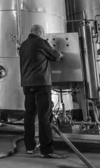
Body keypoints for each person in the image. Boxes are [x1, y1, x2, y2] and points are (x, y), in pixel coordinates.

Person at [19, 25, 66, 159]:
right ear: (40, 33)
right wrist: (60, 54)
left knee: (29, 115)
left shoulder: (23, 45)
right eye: (44, 33)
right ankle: (47, 150)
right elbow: (55, 56)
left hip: (27, 84)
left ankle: (29, 146)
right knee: (44, 116)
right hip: (41, 82)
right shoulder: (40, 42)